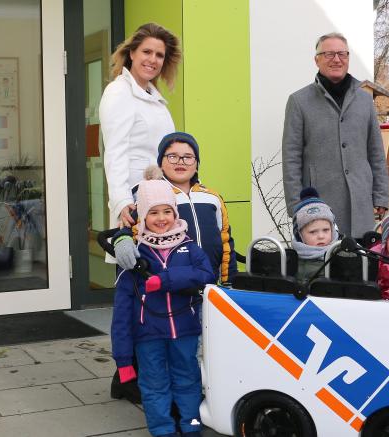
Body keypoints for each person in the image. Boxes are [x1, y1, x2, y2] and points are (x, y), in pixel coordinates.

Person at [110, 166, 215, 437]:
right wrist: (123, 359)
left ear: (175, 213)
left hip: (185, 330)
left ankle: (191, 426)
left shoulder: (189, 247)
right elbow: (121, 313)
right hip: (148, 334)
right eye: (153, 212)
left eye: (167, 211)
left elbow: (206, 274)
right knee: (154, 384)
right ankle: (162, 430)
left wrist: (166, 280)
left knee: (188, 379)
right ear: (143, 216)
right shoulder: (134, 257)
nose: (161, 218)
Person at [282, 32, 389, 239]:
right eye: (329, 54)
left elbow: (376, 152)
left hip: (361, 205)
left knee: (363, 258)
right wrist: (296, 206)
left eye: (342, 54)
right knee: (325, 259)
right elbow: (291, 158)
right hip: (317, 208)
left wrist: (381, 196)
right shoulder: (299, 101)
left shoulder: (364, 101)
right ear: (317, 60)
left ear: (348, 58)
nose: (337, 59)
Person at [113, 132, 238, 284]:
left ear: (197, 164)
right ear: (160, 163)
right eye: (172, 156)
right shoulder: (153, 195)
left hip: (210, 284)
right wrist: (122, 239)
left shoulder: (213, 198)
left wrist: (229, 281)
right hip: (170, 285)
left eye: (188, 157)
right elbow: (129, 228)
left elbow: (226, 241)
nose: (181, 162)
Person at [99, 23, 181, 229]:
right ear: (132, 53)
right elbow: (115, 151)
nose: (153, 60)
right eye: (147, 52)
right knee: (137, 249)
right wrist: (121, 200)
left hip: (160, 198)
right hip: (134, 199)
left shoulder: (154, 98)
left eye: (159, 55)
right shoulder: (119, 91)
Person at [291, 187, 339, 282]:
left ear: (332, 230)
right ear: (299, 235)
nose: (321, 236)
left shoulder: (341, 254)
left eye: (326, 230)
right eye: (313, 232)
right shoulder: (292, 261)